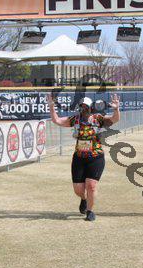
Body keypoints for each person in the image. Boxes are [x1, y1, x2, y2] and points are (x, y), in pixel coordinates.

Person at [46, 93, 121, 221]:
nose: (84, 109)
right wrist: (52, 106)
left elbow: (115, 119)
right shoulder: (75, 120)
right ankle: (84, 199)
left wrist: (116, 109)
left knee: (91, 186)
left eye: (86, 106)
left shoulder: (98, 119)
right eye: (82, 106)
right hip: (79, 158)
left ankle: (90, 211)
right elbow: (57, 120)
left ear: (91, 108)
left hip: (95, 157)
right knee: (78, 189)